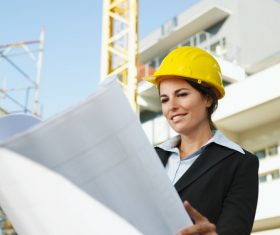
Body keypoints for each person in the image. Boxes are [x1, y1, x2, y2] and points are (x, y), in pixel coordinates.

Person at [145, 46, 259, 235]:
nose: (171, 106)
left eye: (181, 94)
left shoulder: (239, 163)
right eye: (164, 99)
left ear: (207, 98)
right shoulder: (151, 157)